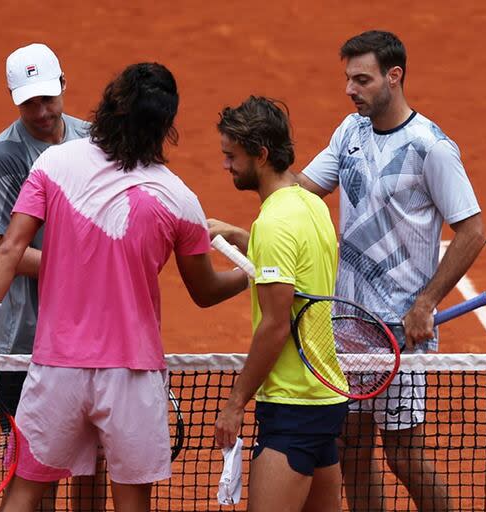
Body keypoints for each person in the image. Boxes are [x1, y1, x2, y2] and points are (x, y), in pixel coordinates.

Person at [211, 31, 486, 511]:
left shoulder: (431, 148)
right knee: (350, 450)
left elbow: (473, 232)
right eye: (348, 79)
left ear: (393, 77)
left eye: (361, 79)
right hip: (342, 325)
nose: (350, 89)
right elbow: (297, 189)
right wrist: (249, 230)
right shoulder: (350, 132)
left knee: (404, 455)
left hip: (401, 330)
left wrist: (426, 303)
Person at [0, 62, 248, 512]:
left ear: (110, 106)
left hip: (58, 370)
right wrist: (255, 276)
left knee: (22, 496)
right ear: (166, 126)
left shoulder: (53, 164)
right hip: (132, 379)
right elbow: (206, 291)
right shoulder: (179, 197)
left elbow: (9, 250)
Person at [0, 42, 94, 510]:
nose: (41, 111)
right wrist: (90, 270)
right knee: (34, 472)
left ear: (64, 85)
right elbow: (11, 252)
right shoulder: (3, 157)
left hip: (87, 336)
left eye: (48, 98)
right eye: (28, 102)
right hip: (26, 341)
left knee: (91, 461)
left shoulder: (96, 140)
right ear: (13, 97)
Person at [213, 96, 348, 512]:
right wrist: (242, 235)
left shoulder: (272, 223)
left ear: (261, 154)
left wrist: (235, 404)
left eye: (232, 156)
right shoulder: (312, 205)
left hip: (291, 408)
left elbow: (274, 325)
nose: (227, 166)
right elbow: (295, 269)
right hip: (326, 400)